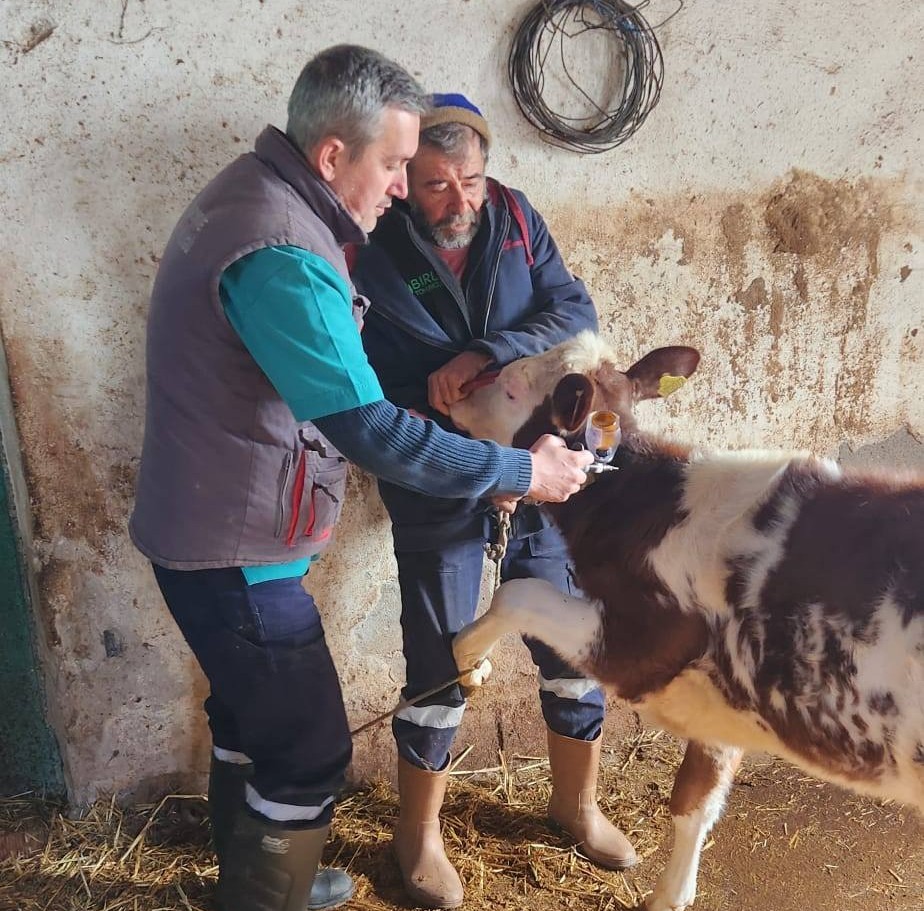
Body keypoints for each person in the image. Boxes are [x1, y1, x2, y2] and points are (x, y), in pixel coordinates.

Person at [129, 49, 593, 911]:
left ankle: (261, 877)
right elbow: (370, 426)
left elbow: (570, 305)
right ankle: (263, 895)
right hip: (236, 549)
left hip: (217, 519)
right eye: (394, 167)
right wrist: (521, 469)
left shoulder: (255, 193)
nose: (398, 187)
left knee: (248, 720)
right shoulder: (287, 253)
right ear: (335, 156)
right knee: (309, 751)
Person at [351, 93, 639, 908]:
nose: (460, 202)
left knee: (569, 636)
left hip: (537, 471)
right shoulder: (368, 242)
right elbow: (352, 367)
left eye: (471, 180)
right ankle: (419, 838)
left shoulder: (512, 217)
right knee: (443, 657)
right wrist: (409, 400)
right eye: (439, 185)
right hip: (438, 474)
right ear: (403, 178)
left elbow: (571, 311)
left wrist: (485, 351)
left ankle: (575, 804)